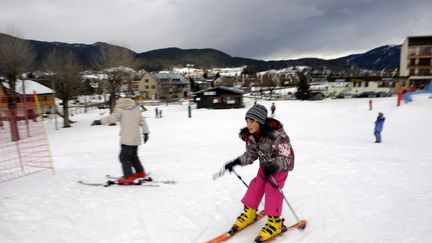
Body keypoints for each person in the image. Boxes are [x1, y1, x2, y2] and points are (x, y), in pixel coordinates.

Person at [223, 104, 295, 241]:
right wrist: (236, 162)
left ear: (260, 122)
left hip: (280, 166)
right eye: (247, 121)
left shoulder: (276, 135)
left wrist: (275, 166)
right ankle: (249, 213)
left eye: (252, 121)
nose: (249, 124)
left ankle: (275, 223)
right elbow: (251, 155)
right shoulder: (251, 136)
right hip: (265, 166)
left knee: (271, 187)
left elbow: (286, 156)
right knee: (256, 184)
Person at [92, 98, 150, 184]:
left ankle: (128, 176)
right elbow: (142, 121)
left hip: (127, 138)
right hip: (136, 137)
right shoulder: (136, 109)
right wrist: (146, 133)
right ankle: (140, 172)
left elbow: (113, 118)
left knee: (124, 157)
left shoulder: (120, 108)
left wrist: (100, 121)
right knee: (134, 156)